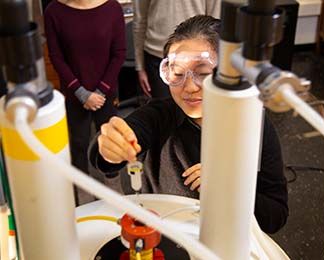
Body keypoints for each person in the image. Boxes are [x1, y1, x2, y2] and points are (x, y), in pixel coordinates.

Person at [90, 15, 288, 234]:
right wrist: (110, 148)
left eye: (203, 74)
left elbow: (275, 217)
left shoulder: (253, 125)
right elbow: (126, 136)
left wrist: (227, 188)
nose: (189, 87)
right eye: (177, 74)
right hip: (165, 236)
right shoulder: (161, 115)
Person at [44, 0, 126, 174]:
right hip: (75, 94)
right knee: (78, 145)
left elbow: (119, 53)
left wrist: (100, 91)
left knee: (110, 146)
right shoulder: (54, 11)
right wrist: (81, 93)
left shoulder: (112, 8)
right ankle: (82, 194)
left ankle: (111, 193)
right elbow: (56, 57)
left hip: (106, 92)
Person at [133, 0, 220, 98]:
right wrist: (140, 67)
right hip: (155, 55)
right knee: (163, 108)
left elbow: (215, 22)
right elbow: (140, 20)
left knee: (200, 106)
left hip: (198, 58)